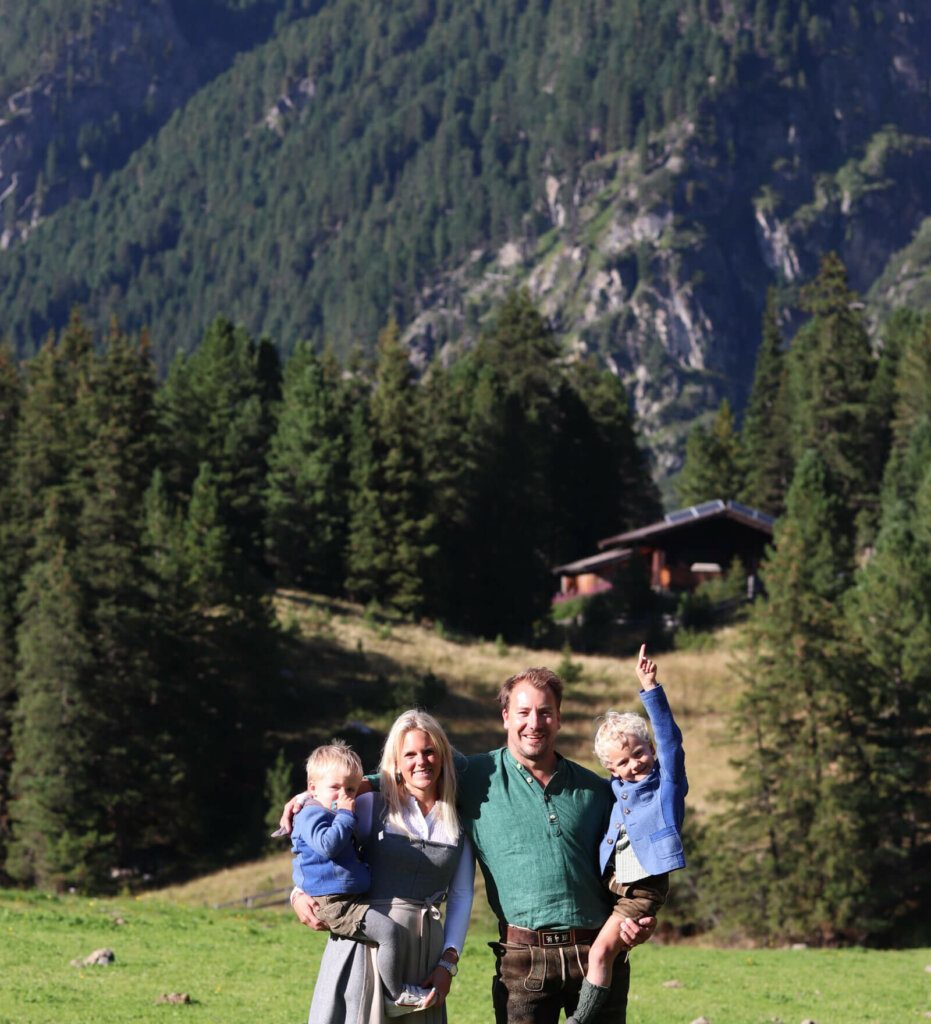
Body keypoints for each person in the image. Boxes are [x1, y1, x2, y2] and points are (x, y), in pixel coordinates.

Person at [285, 667, 654, 1023]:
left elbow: (636, 853)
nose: (534, 723)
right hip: (522, 960)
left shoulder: (595, 790)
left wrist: (635, 916)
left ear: (559, 718)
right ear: (506, 716)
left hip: (596, 953)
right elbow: (390, 779)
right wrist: (311, 805)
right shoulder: (479, 773)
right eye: (523, 712)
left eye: (545, 712)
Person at [292, 711, 474, 1023]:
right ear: (397, 762)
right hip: (367, 945)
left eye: (429, 751)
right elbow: (322, 848)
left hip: (425, 957)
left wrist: (448, 963)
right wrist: (298, 893)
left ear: (442, 755)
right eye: (411, 754)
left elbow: (460, 896)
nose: (421, 761)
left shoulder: (458, 820)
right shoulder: (370, 805)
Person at [566, 645, 687, 1024]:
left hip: (643, 887)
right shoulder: (615, 788)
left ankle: (579, 1020)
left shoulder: (666, 786)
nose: (635, 764)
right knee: (602, 948)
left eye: (640, 752)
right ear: (612, 769)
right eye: (623, 762)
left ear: (650, 749)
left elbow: (671, 743)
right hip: (614, 884)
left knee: (600, 953)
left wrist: (650, 688)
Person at [290, 740, 437, 1015]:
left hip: (346, 899)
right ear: (312, 788)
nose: (344, 795)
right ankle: (397, 994)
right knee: (389, 933)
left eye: (351, 789)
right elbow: (328, 845)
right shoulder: (313, 814)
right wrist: (346, 813)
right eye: (335, 788)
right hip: (336, 903)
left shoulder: (327, 812)